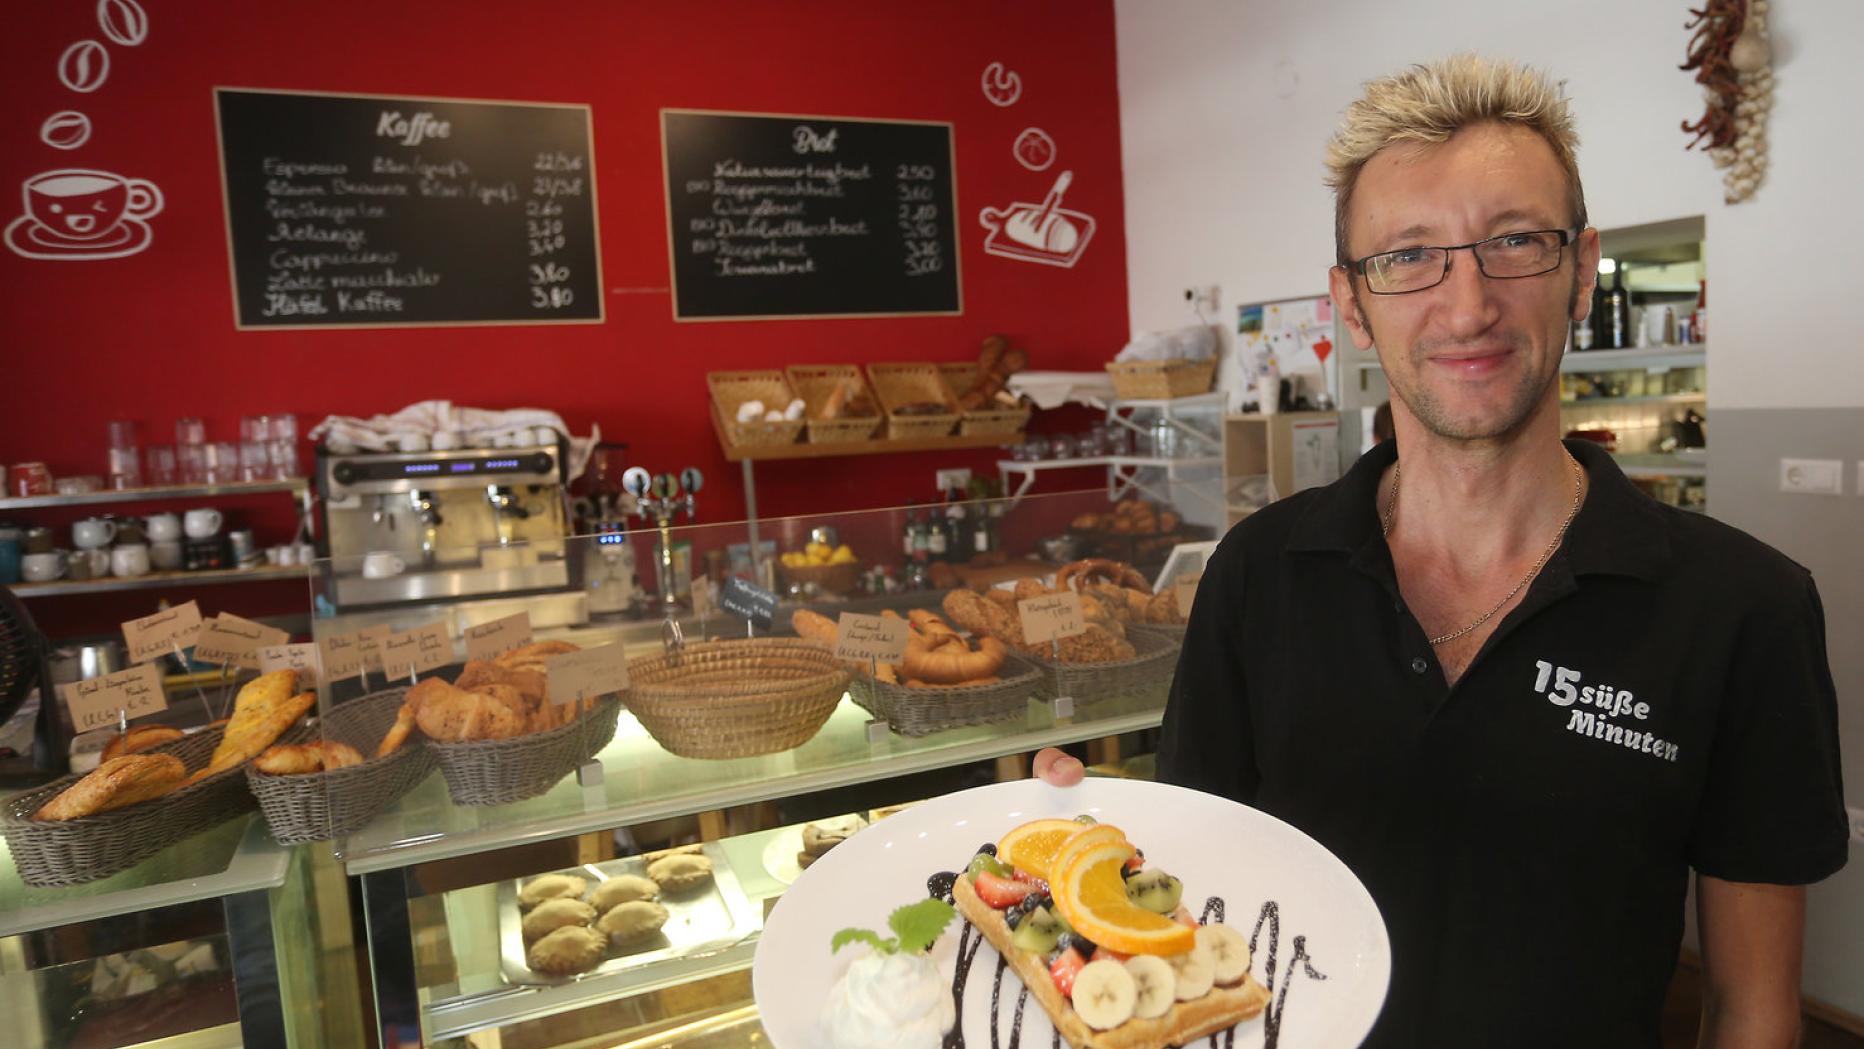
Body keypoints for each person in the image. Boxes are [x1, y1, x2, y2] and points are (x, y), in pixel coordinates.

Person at [1037, 55, 1845, 1047]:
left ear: (1582, 269)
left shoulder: (1742, 607)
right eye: (1408, 256)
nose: (1467, 308)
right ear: (1349, 302)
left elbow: (1754, 1009)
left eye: (1513, 241)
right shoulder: (1256, 576)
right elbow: (1197, 907)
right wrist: (1083, 865)